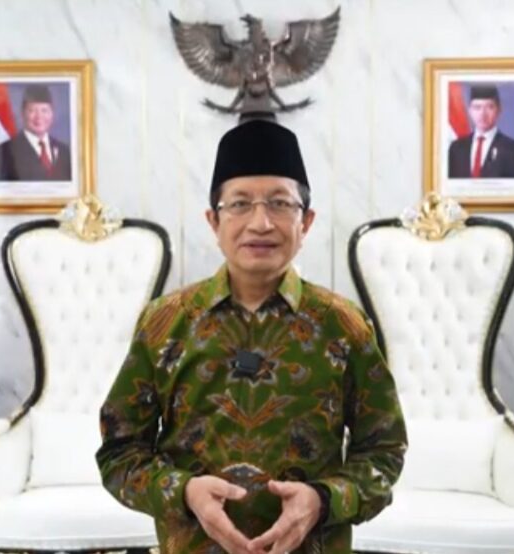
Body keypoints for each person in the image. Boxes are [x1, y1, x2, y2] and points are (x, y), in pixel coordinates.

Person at [97, 119, 407, 554]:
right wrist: (183, 492)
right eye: (240, 204)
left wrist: (323, 500)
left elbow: (384, 451)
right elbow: (120, 452)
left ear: (306, 222)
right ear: (213, 221)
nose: (260, 223)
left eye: (280, 204)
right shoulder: (166, 323)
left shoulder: (343, 325)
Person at [0, 84, 72, 181]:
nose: (39, 117)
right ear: (22, 113)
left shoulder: (65, 151)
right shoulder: (4, 152)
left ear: (52, 113)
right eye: (32, 110)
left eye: (44, 110)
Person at [448, 84, 514, 179]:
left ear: (499, 110)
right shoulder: (456, 148)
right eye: (477, 107)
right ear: (470, 111)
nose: (482, 114)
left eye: (489, 107)